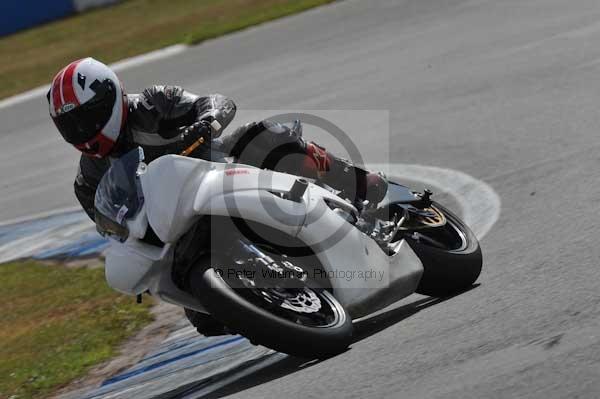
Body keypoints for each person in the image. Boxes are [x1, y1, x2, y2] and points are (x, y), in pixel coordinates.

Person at [48, 57, 387, 335]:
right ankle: (271, 311)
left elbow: (218, 103)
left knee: (262, 138)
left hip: (219, 171)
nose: (83, 132)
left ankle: (355, 182)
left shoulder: (152, 102)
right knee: (205, 319)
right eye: (72, 126)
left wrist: (206, 122)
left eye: (88, 118)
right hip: (176, 225)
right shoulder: (87, 181)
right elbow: (113, 230)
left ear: (111, 98)